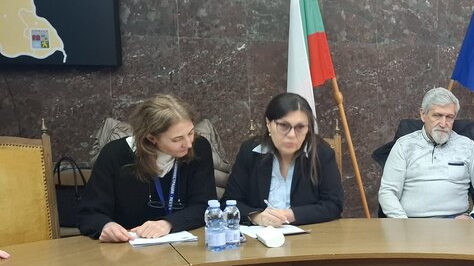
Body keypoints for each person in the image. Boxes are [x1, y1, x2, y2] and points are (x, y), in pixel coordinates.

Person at [78, 94, 217, 242]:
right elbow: (89, 214)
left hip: (184, 244)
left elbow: (205, 205)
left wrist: (169, 223)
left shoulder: (199, 147)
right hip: (127, 245)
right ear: (151, 138)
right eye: (177, 139)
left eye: (191, 133)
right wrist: (105, 226)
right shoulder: (114, 154)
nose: (188, 144)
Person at [224, 92, 343, 227]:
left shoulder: (321, 153)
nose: (291, 135)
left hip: (308, 235)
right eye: (284, 126)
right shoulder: (250, 152)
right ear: (268, 124)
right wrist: (256, 217)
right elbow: (229, 203)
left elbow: (333, 204)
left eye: (300, 127)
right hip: (259, 235)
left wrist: (290, 215)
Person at [378, 87, 474, 219]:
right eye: (437, 115)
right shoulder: (404, 146)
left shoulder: (467, 146)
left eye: (449, 117)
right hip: (411, 222)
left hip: (456, 223)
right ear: (423, 115)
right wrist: (403, 223)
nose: (443, 124)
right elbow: (388, 192)